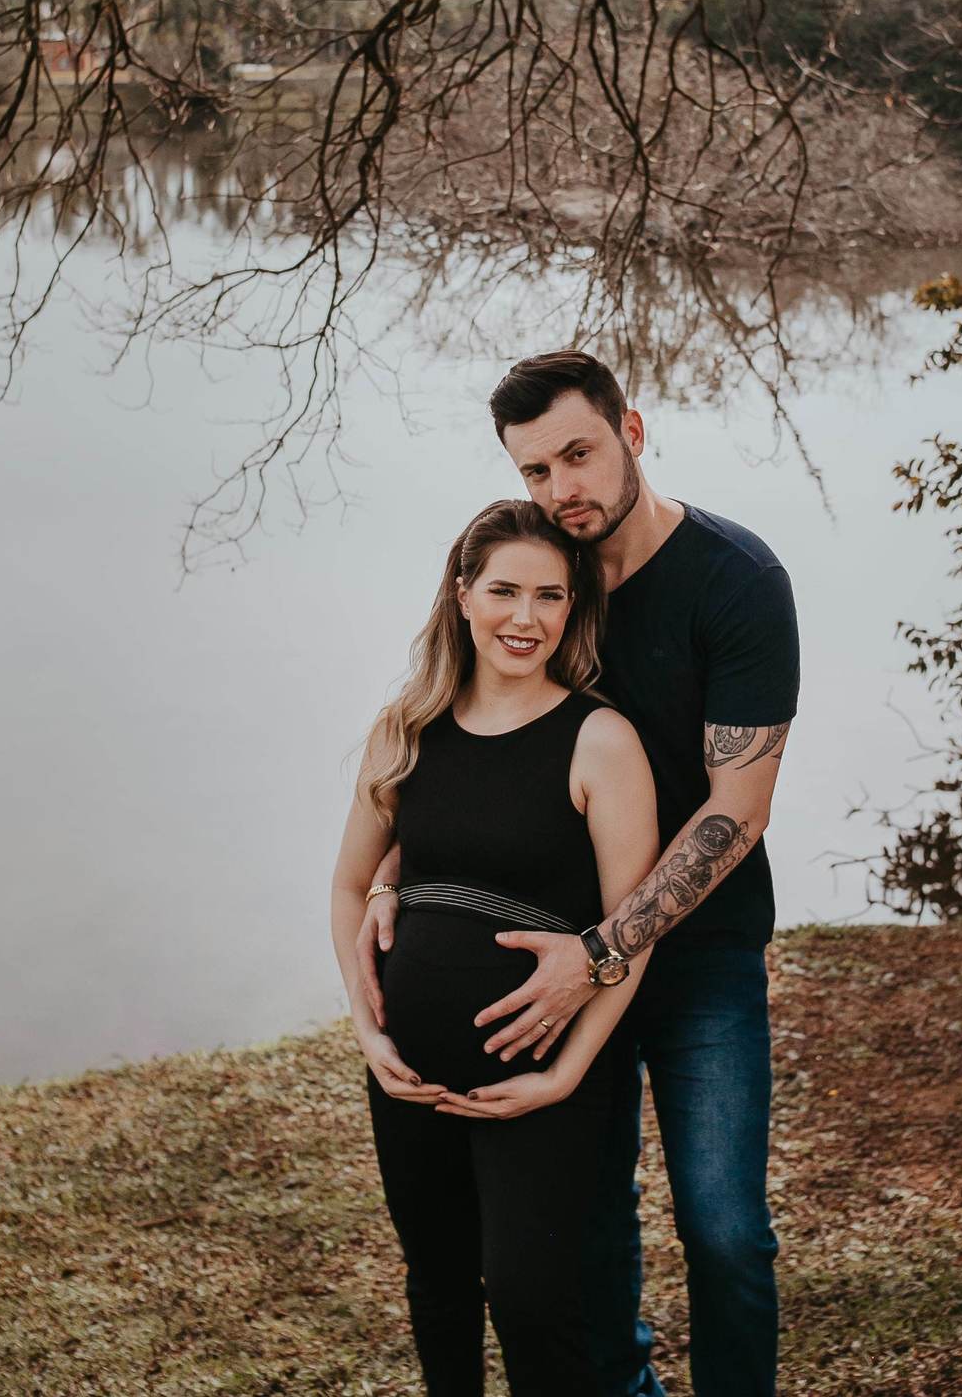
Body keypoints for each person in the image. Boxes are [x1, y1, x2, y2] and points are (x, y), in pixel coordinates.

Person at [359, 353, 800, 1397]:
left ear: (632, 431)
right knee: (583, 1237)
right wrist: (391, 870)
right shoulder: (537, 580)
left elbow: (735, 814)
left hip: (696, 959)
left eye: (579, 453)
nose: (563, 489)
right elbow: (462, 738)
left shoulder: (736, 580)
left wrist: (602, 953)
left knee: (726, 1230)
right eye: (536, 470)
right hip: (544, 949)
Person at [331, 497, 659, 1397]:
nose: (527, 618)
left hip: (539, 1080)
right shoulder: (405, 731)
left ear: (571, 610)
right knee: (439, 1288)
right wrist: (371, 1036)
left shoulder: (600, 740)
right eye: (506, 592)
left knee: (529, 1299)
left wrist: (564, 1076)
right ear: (463, 594)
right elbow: (349, 888)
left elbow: (633, 939)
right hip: (410, 1076)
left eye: (550, 597)